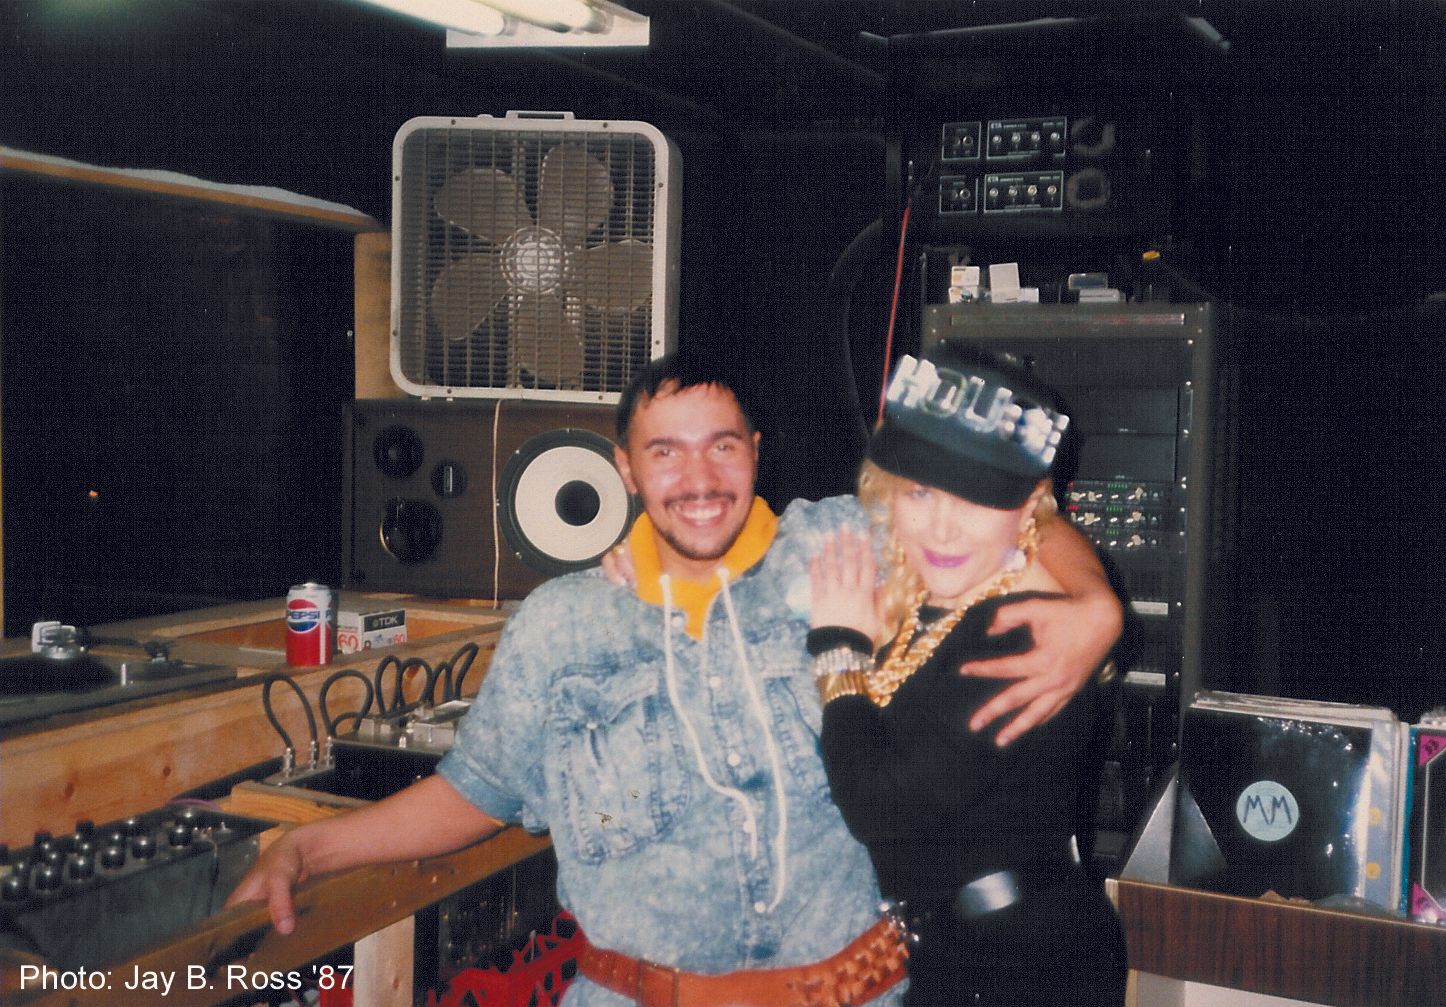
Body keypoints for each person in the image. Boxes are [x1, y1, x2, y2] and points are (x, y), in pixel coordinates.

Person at [227, 352, 1121, 1007]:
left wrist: (1094, 602)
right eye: (666, 452)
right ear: (624, 467)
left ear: (757, 452)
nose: (699, 479)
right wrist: (311, 848)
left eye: (723, 447)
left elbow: (1007, 510)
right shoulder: (563, 622)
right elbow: (477, 791)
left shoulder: (845, 546)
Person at [807, 342, 1128, 1006]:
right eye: (921, 490)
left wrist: (838, 652)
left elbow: (879, 805)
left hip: (1017, 970)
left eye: (978, 498)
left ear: (1030, 506)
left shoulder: (1025, 627)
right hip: (960, 955)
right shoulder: (939, 588)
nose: (943, 527)